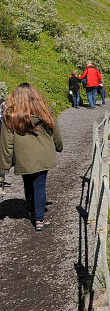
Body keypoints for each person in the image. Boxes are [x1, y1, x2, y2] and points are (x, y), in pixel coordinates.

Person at [0, 83, 63, 231]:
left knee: (28, 184)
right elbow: (56, 132)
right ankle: (40, 219)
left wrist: (4, 165)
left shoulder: (10, 116)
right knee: (39, 186)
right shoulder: (45, 112)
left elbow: (6, 143)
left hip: (23, 157)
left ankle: (32, 211)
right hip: (43, 155)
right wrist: (59, 147)